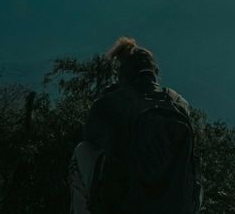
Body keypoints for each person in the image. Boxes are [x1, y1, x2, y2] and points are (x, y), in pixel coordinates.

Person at [70, 37, 202, 214]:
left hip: (127, 203)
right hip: (178, 205)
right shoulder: (178, 103)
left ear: (122, 73)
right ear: (154, 72)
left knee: (81, 150)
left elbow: (90, 138)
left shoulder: (111, 101)